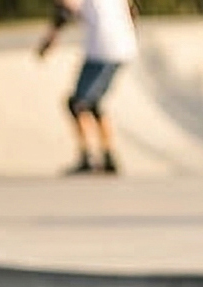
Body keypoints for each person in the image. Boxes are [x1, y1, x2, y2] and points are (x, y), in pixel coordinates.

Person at [36, 0, 138, 177]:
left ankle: (88, 157)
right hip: (115, 47)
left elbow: (64, 11)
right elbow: (132, 9)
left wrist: (50, 38)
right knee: (93, 103)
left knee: (78, 104)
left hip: (104, 49)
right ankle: (108, 156)